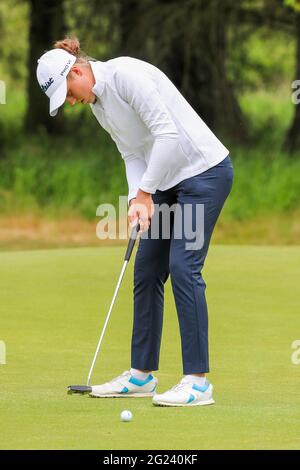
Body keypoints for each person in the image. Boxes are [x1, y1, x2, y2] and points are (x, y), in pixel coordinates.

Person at [36, 37, 233, 407]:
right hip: (165, 181)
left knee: (183, 267)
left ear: (77, 71)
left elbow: (168, 135)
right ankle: (142, 375)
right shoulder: (100, 106)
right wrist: (136, 199)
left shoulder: (126, 76)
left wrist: (146, 192)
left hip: (204, 175)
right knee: (146, 270)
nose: (73, 102)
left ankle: (198, 382)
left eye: (69, 93)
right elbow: (131, 152)